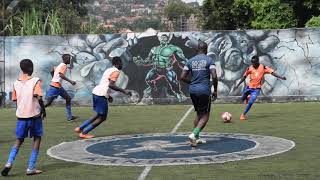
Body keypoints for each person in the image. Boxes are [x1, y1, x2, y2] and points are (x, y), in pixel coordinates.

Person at [1, 59, 46, 176]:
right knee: (37, 138)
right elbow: (39, 97)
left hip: (21, 117)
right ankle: (31, 167)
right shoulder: (36, 81)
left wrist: (21, 110)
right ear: (31, 68)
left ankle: (8, 163)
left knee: (19, 140)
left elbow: (16, 100)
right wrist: (44, 110)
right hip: (34, 116)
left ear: (22, 69)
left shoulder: (16, 83)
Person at [74, 57, 132, 139]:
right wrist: (124, 91)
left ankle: (80, 128)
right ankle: (84, 132)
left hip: (96, 92)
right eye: (121, 63)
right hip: (101, 95)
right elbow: (110, 85)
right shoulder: (116, 72)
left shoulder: (109, 70)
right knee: (102, 117)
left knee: (98, 115)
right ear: (118, 63)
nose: (122, 64)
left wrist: (108, 96)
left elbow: (104, 83)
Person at [180, 41, 218, 147]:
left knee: (198, 113)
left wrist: (191, 82)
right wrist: (215, 90)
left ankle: (196, 138)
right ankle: (194, 134)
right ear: (206, 50)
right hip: (204, 90)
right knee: (205, 114)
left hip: (192, 90)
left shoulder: (190, 61)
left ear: (197, 50)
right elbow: (214, 76)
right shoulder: (209, 60)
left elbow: (182, 77)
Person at [235, 55, 286, 120]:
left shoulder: (263, 67)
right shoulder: (249, 68)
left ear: (258, 62)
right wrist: (238, 85)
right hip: (249, 87)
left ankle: (243, 115)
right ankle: (247, 98)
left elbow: (272, 72)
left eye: (254, 63)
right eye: (252, 63)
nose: (253, 64)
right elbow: (244, 77)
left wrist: (281, 77)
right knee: (242, 99)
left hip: (256, 89)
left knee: (251, 102)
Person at [45, 54, 78, 122]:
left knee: (68, 98)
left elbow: (52, 71)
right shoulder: (64, 66)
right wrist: (71, 81)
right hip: (55, 87)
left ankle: (69, 117)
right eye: (69, 59)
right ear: (65, 59)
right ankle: (36, 113)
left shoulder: (59, 65)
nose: (70, 60)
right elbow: (61, 75)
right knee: (48, 103)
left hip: (58, 86)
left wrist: (54, 78)